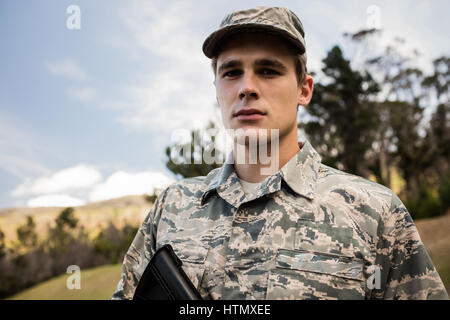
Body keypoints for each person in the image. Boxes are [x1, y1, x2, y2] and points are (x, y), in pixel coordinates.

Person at [111, 6, 449, 300]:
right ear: (216, 90)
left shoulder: (375, 213)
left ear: (304, 89)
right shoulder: (172, 206)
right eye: (231, 72)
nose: (247, 88)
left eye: (268, 70)